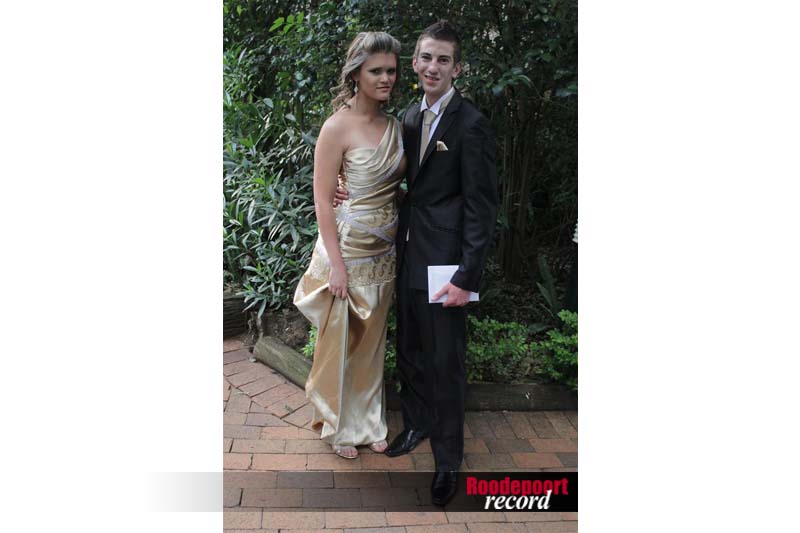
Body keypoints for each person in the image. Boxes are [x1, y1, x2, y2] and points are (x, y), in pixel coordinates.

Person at [386, 21, 498, 507]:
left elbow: (482, 206)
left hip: (446, 266)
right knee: (410, 350)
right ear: (415, 62)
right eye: (427, 57)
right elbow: (411, 187)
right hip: (409, 253)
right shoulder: (410, 117)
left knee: (445, 362)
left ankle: (448, 460)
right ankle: (416, 424)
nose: (433, 67)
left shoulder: (470, 124)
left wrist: (465, 277)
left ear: (457, 68)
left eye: (443, 60)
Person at [293, 32, 406, 460]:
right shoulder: (336, 127)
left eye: (391, 70)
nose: (385, 78)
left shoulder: (396, 126)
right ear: (356, 73)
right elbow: (323, 199)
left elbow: (396, 188)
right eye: (376, 71)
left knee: (372, 342)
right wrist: (336, 265)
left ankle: (369, 421)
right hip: (347, 249)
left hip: (384, 253)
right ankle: (339, 424)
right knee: (340, 340)